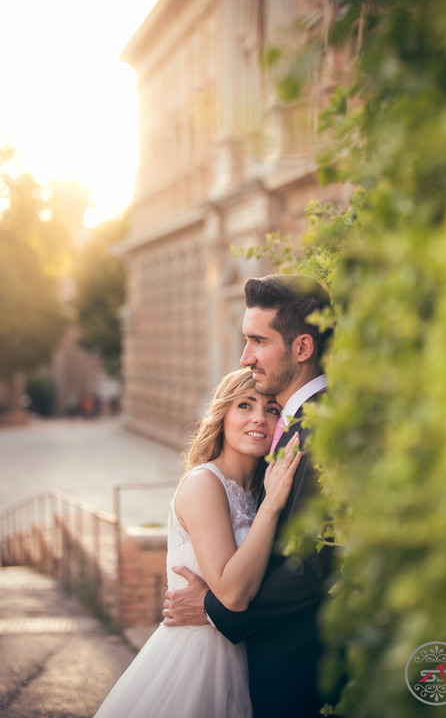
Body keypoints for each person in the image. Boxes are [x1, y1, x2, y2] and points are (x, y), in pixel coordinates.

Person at [163, 274, 339, 718]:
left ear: (301, 349)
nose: (245, 357)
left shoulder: (321, 432)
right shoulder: (293, 432)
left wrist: (213, 607)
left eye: (258, 341)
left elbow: (316, 562)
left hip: (297, 672)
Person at [93, 368, 301, 718]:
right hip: (198, 661)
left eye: (272, 409)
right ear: (222, 415)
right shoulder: (205, 483)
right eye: (245, 405)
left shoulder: (258, 491)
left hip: (247, 656)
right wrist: (271, 508)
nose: (259, 419)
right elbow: (233, 594)